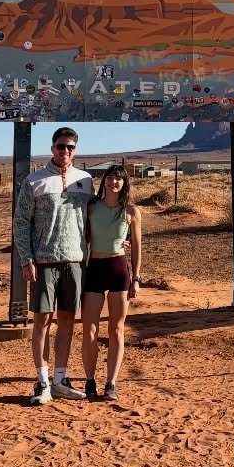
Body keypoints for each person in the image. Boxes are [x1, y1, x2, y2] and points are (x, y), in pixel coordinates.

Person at [12, 126, 94, 405]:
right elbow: (21, 222)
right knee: (42, 322)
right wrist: (27, 259)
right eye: (61, 146)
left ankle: (60, 379)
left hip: (75, 261)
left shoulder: (85, 180)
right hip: (44, 261)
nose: (65, 151)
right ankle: (42, 381)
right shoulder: (34, 181)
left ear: (76, 150)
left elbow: (93, 220)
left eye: (70, 147)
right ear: (52, 148)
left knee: (68, 322)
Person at [80, 164, 142, 402]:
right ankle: (89, 381)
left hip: (118, 270)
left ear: (124, 184)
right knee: (90, 330)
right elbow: (82, 238)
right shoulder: (92, 207)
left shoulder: (132, 212)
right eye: (110, 178)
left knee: (116, 329)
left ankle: (111, 383)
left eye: (118, 179)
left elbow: (136, 248)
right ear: (103, 180)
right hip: (94, 269)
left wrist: (135, 278)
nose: (113, 182)